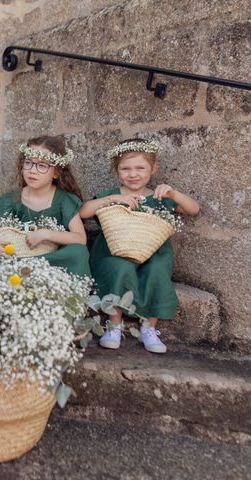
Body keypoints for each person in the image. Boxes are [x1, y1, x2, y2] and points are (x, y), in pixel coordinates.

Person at [80, 139, 200, 353]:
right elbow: (84, 212)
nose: (133, 174)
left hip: (154, 254)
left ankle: (149, 328)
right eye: (125, 169)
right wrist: (114, 199)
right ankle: (114, 324)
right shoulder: (112, 194)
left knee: (156, 272)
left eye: (140, 168)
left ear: (153, 169)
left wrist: (174, 194)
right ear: (116, 170)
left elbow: (193, 209)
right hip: (113, 252)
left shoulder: (159, 196)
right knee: (119, 268)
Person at [0, 136, 91, 278]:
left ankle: (31, 272)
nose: (32, 171)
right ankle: (18, 271)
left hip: (51, 260)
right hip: (17, 256)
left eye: (42, 165)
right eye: (28, 163)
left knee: (78, 252)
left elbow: (80, 238)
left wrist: (46, 234)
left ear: (57, 172)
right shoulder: (11, 200)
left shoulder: (64, 200)